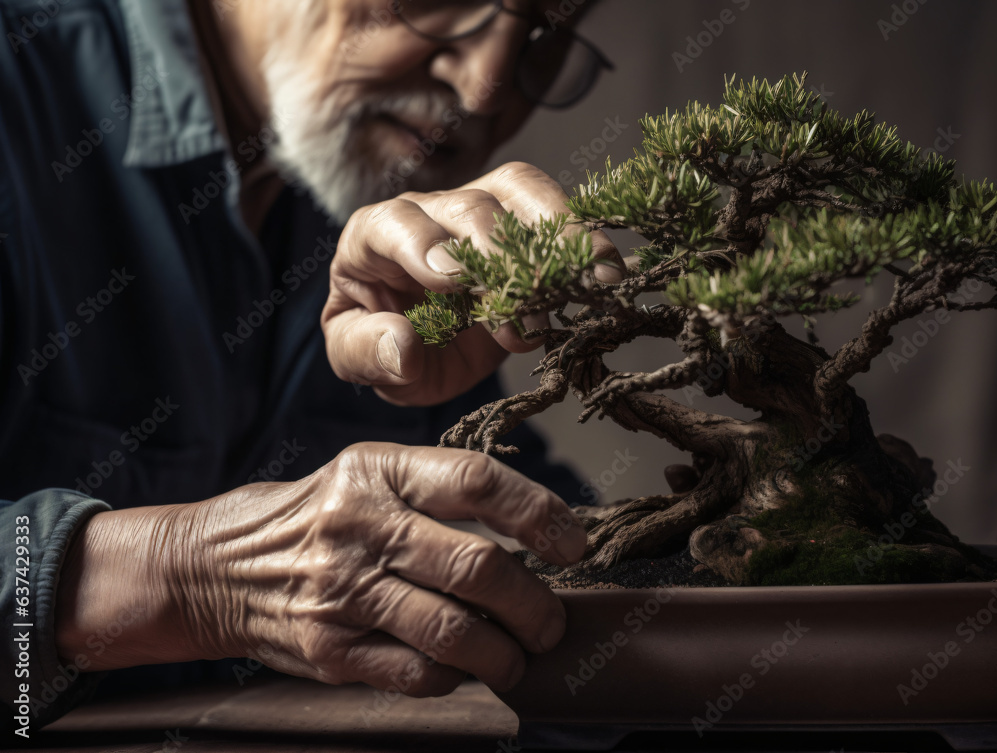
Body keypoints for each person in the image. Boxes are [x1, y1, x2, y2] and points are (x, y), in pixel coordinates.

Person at [0, 0, 622, 734]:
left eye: (545, 32)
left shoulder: (382, 221)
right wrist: (186, 574)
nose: (486, 84)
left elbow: (548, 553)